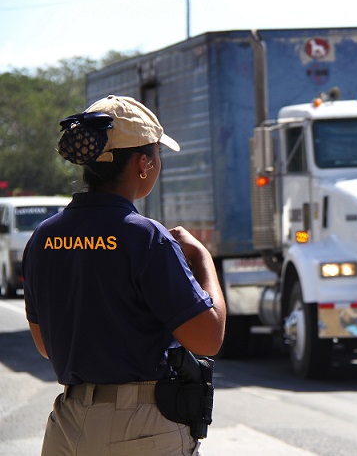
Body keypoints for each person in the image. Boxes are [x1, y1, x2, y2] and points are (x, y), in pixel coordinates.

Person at [23, 95, 226, 456]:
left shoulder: (44, 236)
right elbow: (207, 339)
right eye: (158, 154)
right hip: (138, 428)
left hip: (68, 424)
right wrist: (202, 258)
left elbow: (45, 346)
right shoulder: (145, 237)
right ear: (144, 163)